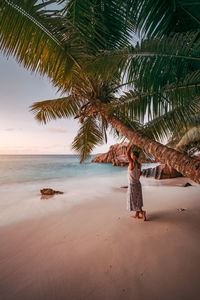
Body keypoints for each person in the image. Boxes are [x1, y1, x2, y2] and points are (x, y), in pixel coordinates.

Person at [126, 144, 146, 221]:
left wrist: (131, 144)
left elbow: (127, 153)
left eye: (132, 155)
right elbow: (139, 174)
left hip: (133, 184)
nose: (130, 156)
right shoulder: (139, 164)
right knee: (137, 200)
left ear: (134, 156)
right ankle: (137, 215)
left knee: (134, 201)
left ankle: (142, 212)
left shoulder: (132, 163)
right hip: (138, 184)